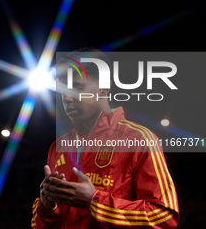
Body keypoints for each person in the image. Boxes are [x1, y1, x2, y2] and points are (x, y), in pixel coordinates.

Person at [31, 50, 179, 228]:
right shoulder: (59, 146)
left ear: (104, 87)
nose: (67, 99)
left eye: (76, 87)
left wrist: (94, 200)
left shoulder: (139, 139)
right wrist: (47, 207)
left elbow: (164, 218)